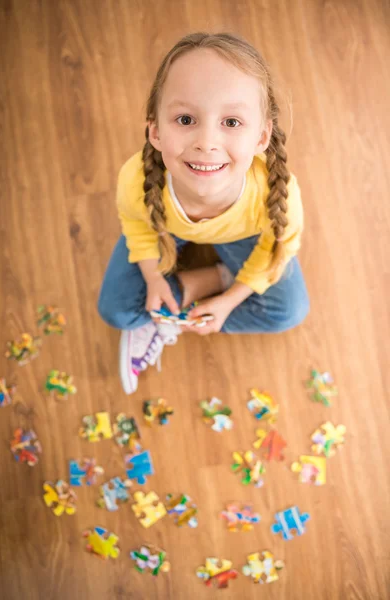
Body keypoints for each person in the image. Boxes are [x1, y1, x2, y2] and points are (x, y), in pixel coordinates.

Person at [98, 31, 310, 394]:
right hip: (165, 228)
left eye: (231, 122)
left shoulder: (278, 195)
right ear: (155, 130)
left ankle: (199, 289)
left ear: (261, 137)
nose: (207, 143)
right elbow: (137, 225)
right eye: (185, 120)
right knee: (114, 312)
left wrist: (229, 301)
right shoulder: (137, 180)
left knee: (289, 311)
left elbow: (280, 249)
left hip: (242, 237)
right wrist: (153, 278)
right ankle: (205, 283)